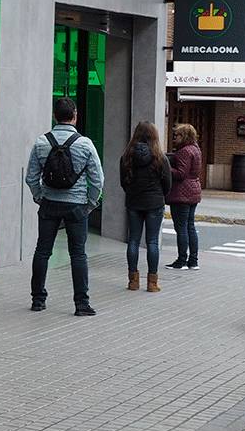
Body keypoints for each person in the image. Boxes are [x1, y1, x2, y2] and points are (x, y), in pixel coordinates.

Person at [26, 97, 104, 316]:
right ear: (75, 115)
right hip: (77, 206)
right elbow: (98, 179)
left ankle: (38, 300)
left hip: (49, 204)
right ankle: (81, 304)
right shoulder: (85, 143)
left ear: (54, 116)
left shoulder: (42, 142)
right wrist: (90, 203)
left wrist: (40, 197)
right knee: (78, 254)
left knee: (42, 252)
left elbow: (31, 177)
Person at [120, 121, 172, 292]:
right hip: (155, 203)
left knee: (133, 240)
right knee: (152, 241)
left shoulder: (127, 156)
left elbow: (123, 182)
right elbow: (167, 184)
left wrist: (132, 192)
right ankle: (152, 282)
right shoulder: (160, 157)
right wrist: (158, 196)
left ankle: (133, 281)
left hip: (133, 202)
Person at [166, 122, 203, 270]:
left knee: (181, 227)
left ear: (184, 136)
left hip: (181, 193)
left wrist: (167, 167)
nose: (175, 138)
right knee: (190, 227)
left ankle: (181, 260)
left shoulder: (184, 151)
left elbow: (181, 173)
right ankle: (193, 261)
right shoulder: (196, 149)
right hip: (193, 191)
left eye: (178, 135)